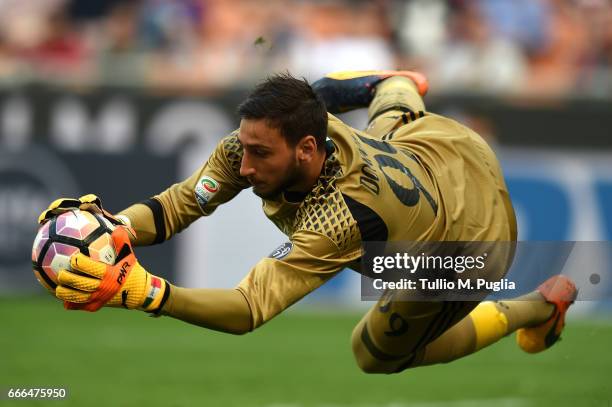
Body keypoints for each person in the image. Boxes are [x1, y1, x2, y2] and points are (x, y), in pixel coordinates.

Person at [38, 70, 576, 373]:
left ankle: (536, 306)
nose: (243, 167)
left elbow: (247, 308)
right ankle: (394, 84)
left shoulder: (337, 221)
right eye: (242, 146)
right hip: (440, 145)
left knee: (374, 354)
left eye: (259, 155)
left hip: (472, 242)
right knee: (388, 107)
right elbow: (181, 203)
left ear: (306, 150)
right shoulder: (269, 137)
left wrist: (150, 292)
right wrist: (118, 227)